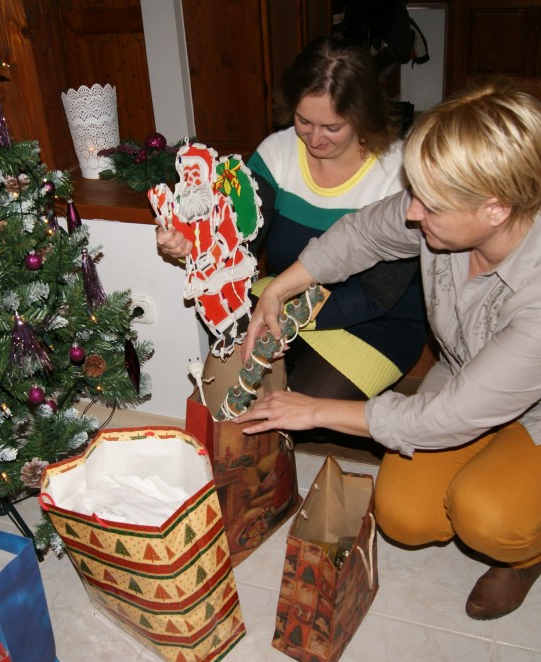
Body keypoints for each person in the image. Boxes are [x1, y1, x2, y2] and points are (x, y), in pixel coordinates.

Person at [234, 79, 541, 620]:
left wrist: (313, 409)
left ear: (496, 209)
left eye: (429, 206)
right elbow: (362, 234)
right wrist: (280, 288)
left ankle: (527, 555)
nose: (412, 214)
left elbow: (450, 416)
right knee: (404, 516)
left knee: (485, 516)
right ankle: (498, 471)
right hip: (469, 382)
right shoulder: (455, 205)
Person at [157, 35, 427, 402]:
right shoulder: (278, 152)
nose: (314, 139)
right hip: (284, 296)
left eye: (333, 127)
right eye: (304, 121)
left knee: (296, 406)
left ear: (363, 116)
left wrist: (282, 319)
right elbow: (236, 239)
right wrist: (192, 243)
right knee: (226, 394)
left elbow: (376, 296)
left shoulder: (399, 172)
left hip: (375, 321)